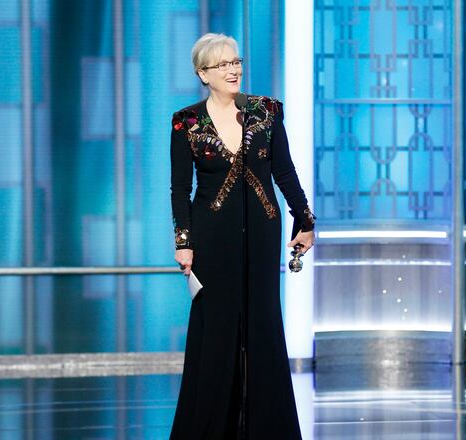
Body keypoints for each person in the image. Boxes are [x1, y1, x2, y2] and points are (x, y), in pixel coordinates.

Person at [169, 33, 314, 438]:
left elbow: (284, 171)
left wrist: (305, 220)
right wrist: (184, 242)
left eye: (236, 62)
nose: (233, 70)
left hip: (262, 232)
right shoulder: (187, 122)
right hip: (212, 239)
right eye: (222, 65)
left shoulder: (264, 112)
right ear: (203, 73)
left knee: (263, 326)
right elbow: (180, 188)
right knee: (214, 332)